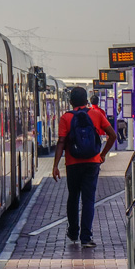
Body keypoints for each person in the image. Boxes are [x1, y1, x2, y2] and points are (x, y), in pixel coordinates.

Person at [52, 87, 116, 248]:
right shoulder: (96, 114)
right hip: (92, 163)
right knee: (88, 200)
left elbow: (61, 142)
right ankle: (86, 237)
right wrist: (102, 154)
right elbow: (113, 135)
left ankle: (73, 232)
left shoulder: (65, 117)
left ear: (70, 102)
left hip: (72, 164)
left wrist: (55, 166)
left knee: (73, 197)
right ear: (86, 100)